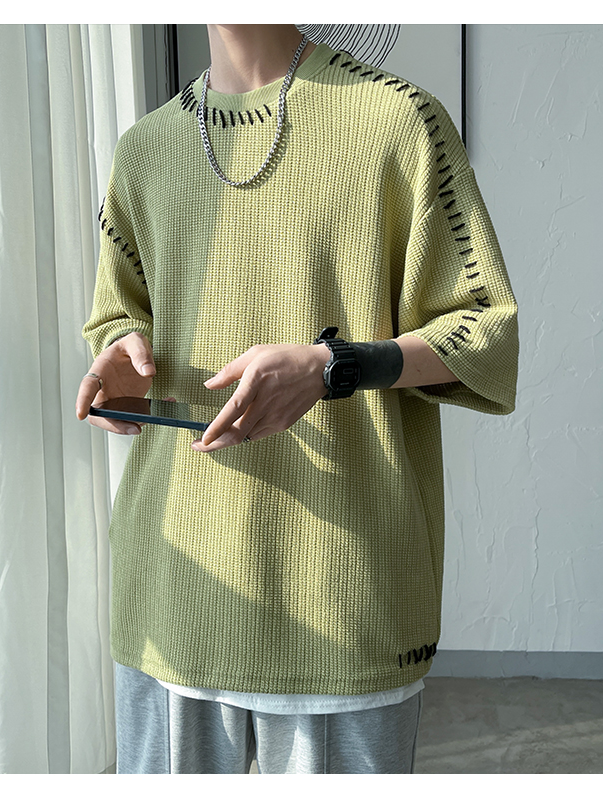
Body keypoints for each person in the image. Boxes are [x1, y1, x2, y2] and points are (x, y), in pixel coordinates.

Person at [75, 24, 519, 774]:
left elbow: (485, 331)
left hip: (344, 595)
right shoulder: (144, 150)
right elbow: (119, 311)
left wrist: (331, 366)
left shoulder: (399, 122)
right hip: (173, 592)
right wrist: (122, 353)